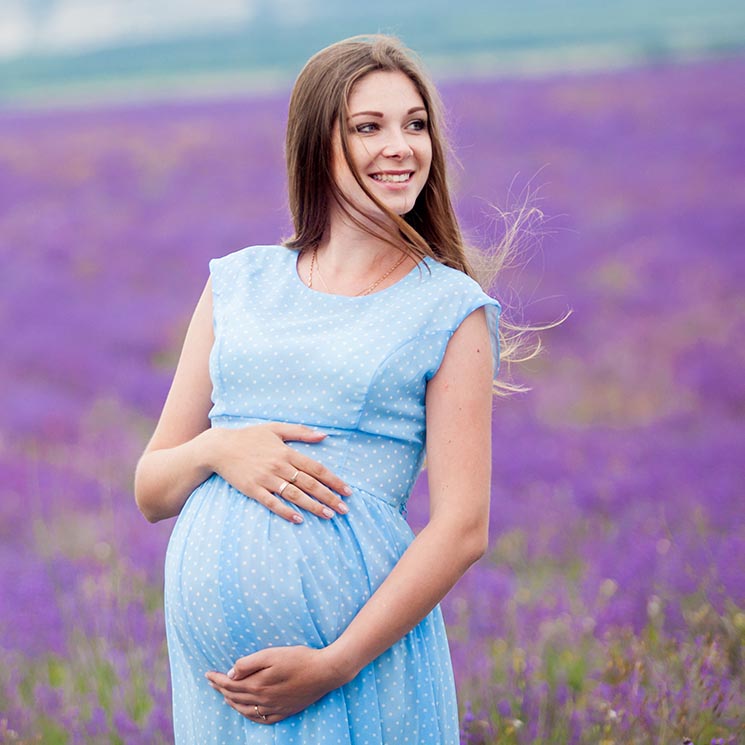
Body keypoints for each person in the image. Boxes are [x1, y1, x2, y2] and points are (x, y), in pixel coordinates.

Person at [134, 34, 531, 744]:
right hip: (220, 698)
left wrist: (334, 661)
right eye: (368, 127)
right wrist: (220, 448)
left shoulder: (448, 307)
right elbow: (151, 488)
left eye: (415, 124)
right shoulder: (239, 282)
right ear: (317, 143)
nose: (400, 146)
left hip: (354, 671)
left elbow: (463, 528)